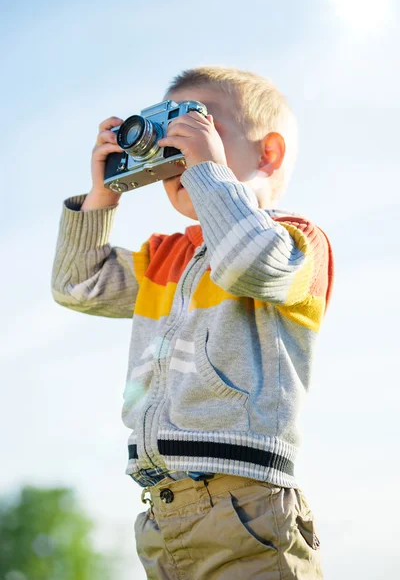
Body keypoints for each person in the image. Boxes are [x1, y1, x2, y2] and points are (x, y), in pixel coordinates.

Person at [51, 66, 334, 579]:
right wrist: (103, 194)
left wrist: (208, 171)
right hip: (162, 512)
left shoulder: (296, 241)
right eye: (168, 135)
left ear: (268, 153)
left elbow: (248, 263)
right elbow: (78, 284)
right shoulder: (167, 258)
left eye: (197, 126)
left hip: (245, 504)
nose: (179, 151)